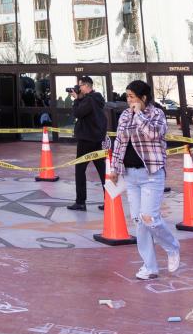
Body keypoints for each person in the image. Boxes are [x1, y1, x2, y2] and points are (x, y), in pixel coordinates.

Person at [108, 80, 181, 280]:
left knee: (151, 218)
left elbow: (154, 134)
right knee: (139, 221)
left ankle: (172, 247)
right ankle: (149, 266)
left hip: (151, 174)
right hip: (130, 175)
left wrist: (139, 114)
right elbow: (120, 142)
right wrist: (115, 168)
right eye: (127, 96)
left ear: (143, 98)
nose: (128, 100)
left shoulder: (156, 114)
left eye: (131, 96)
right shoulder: (124, 115)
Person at [66, 76, 107, 211]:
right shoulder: (96, 99)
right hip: (96, 139)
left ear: (87, 86)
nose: (79, 88)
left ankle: (80, 202)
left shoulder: (90, 99)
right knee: (103, 171)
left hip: (86, 140)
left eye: (80, 85)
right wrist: (79, 98)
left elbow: (78, 112)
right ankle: (110, 200)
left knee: (80, 170)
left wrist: (76, 99)